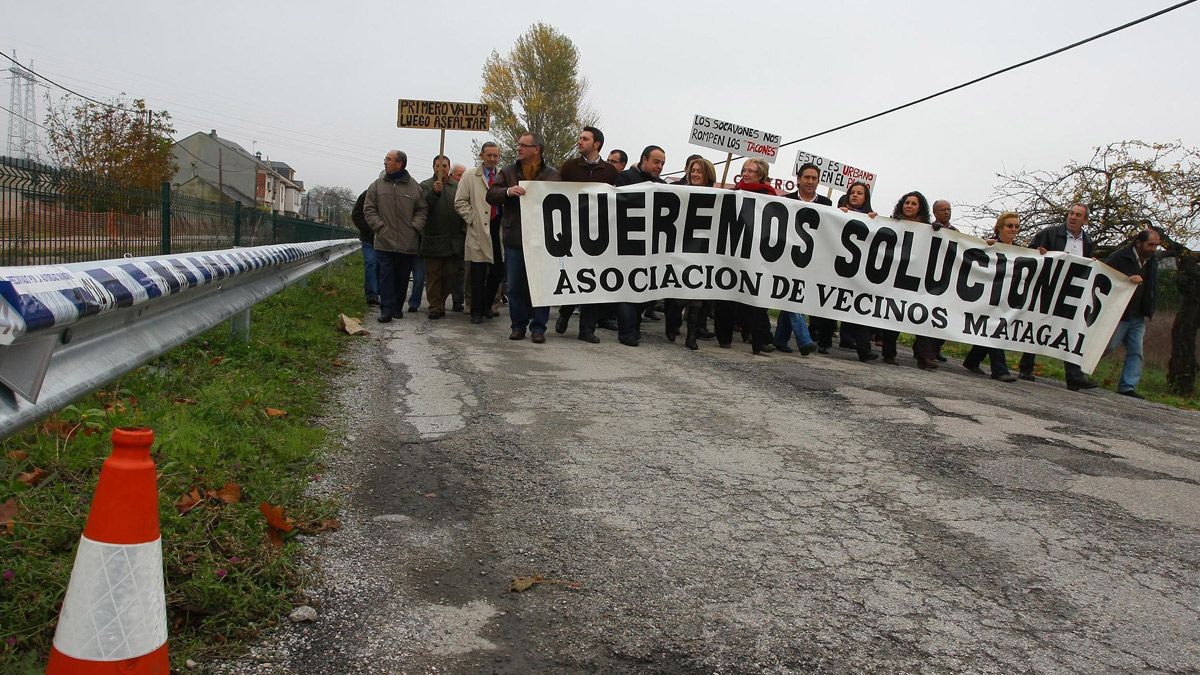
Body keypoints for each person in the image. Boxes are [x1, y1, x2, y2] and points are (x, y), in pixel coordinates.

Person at [487, 132, 560, 343]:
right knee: (515, 286)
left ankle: (539, 328)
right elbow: (491, 195)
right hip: (515, 239)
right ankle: (518, 326)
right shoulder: (508, 172)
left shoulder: (552, 175)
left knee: (541, 285)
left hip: (543, 242)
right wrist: (508, 191)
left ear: (536, 149)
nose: (518, 148)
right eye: (518, 144)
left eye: (523, 145)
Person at [1018, 204, 1099, 390]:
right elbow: (1030, 254)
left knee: (1071, 329)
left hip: (1071, 292)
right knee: (1037, 324)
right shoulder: (1050, 233)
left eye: (1078, 215)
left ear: (1085, 220)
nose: (1073, 217)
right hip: (1047, 287)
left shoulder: (1087, 241)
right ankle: (1026, 367)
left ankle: (1073, 376)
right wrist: (1040, 254)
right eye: (1071, 213)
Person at [555, 126, 620, 343]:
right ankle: (565, 312)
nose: (579, 141)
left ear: (597, 144)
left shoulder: (610, 172)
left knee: (593, 281)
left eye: (584, 139)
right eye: (580, 138)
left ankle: (587, 329)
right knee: (574, 276)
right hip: (573, 232)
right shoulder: (570, 167)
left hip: (598, 234)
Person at [718, 158, 775, 356]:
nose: (746, 174)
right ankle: (723, 337)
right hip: (732, 250)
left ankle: (759, 339)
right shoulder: (734, 192)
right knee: (727, 294)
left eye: (751, 171)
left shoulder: (771, 197)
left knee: (755, 298)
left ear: (761, 175)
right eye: (744, 170)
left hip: (757, 253)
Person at [363, 149, 428, 323]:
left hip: (407, 242)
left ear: (399, 164)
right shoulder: (377, 185)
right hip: (384, 240)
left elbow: (422, 209)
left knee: (402, 276)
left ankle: (397, 307)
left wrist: (414, 227)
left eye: (389, 159)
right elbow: (369, 208)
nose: (385, 161)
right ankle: (386, 309)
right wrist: (379, 226)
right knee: (385, 276)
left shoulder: (414, 187)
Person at [612, 145, 667, 346]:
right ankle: (627, 332)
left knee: (643, 289)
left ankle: (633, 327)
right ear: (644, 159)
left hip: (650, 248)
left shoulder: (661, 184)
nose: (659, 166)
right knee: (628, 288)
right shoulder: (625, 178)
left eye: (662, 163)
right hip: (627, 244)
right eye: (656, 161)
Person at [775, 162, 831, 356]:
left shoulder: (826, 204)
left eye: (814, 178)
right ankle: (804, 339)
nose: (810, 181)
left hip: (811, 259)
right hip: (786, 256)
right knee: (792, 294)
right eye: (806, 177)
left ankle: (780, 339)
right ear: (798, 179)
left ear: (818, 181)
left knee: (792, 295)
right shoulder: (786, 200)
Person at [962, 212, 1021, 382]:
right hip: (988, 295)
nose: (1014, 229)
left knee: (992, 326)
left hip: (1007, 297)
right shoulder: (990, 246)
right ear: (999, 228)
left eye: (1016, 226)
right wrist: (984, 247)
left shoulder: (1022, 251)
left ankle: (972, 360)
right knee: (994, 326)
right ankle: (999, 369)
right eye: (1010, 226)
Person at [666, 156, 717, 350]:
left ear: (707, 175)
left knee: (697, 293)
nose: (695, 174)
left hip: (703, 250)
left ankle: (691, 336)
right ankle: (672, 324)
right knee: (679, 293)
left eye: (699, 171)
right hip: (681, 247)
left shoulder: (718, 196)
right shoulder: (681, 192)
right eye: (693, 171)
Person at [1104, 227, 1161, 398]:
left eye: (1156, 245)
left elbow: (1151, 286)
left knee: (1136, 350)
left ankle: (1128, 385)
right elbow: (1106, 275)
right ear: (1139, 243)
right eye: (1150, 244)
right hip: (1119, 312)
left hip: (1137, 314)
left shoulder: (1152, 261)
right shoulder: (1119, 257)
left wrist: (1149, 307)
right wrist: (1128, 277)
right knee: (1108, 346)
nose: (1153, 249)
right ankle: (1079, 368)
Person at [456, 142, 505, 325]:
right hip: (478, 229)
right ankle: (476, 310)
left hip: (497, 227)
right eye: (489, 155)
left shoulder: (502, 175)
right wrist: (472, 219)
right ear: (482, 156)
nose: (492, 159)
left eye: (495, 156)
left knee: (498, 271)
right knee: (476, 273)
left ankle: (487, 305)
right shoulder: (470, 176)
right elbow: (460, 201)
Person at [890, 191, 938, 369]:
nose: (909, 206)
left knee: (922, 316)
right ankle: (889, 353)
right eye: (907, 203)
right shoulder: (892, 223)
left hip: (918, 279)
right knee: (892, 314)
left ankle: (925, 357)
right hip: (894, 275)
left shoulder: (931, 229)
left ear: (920, 207)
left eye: (913, 203)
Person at [418, 155, 467, 320]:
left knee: (449, 276)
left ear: (449, 168)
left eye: (444, 166)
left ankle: (441, 301)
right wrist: (434, 193)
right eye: (438, 166)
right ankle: (435, 306)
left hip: (453, 241)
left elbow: (464, 208)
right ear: (433, 167)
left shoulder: (457, 187)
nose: (441, 169)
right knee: (433, 276)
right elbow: (422, 206)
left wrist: (462, 233)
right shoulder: (425, 186)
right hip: (433, 239)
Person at [837, 181, 879, 362]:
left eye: (859, 193)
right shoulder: (838, 212)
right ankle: (823, 341)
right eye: (852, 192)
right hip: (836, 266)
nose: (855, 195)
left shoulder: (872, 218)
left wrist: (875, 220)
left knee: (859, 307)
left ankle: (864, 350)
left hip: (858, 271)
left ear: (866, 197)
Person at [928, 199, 959, 361]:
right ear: (935, 213)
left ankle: (936, 347)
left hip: (947, 279)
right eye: (943, 210)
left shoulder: (956, 232)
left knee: (944, 316)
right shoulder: (928, 229)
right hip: (930, 278)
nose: (947, 212)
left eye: (949, 209)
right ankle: (925, 350)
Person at [350, 190, 379, 306]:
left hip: (386, 239)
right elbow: (356, 215)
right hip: (369, 239)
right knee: (371, 263)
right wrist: (370, 229)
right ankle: (372, 295)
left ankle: (379, 292)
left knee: (382, 266)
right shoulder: (368, 194)